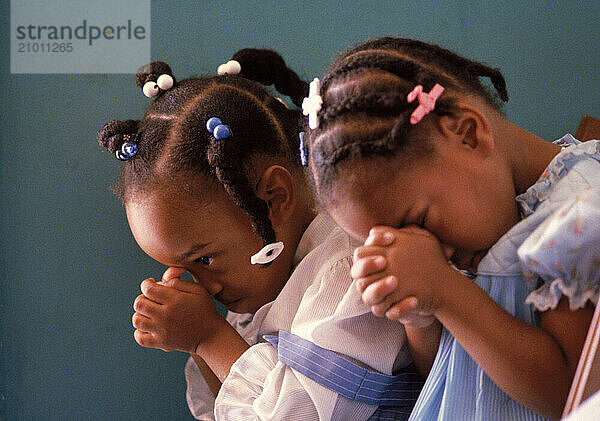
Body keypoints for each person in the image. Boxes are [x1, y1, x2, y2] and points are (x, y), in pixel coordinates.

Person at [97, 49, 426, 420]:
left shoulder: (349, 269)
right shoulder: (263, 282)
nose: (205, 286)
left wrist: (209, 337)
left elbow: (291, 414)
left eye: (204, 259)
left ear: (273, 198)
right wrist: (199, 343)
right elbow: (232, 408)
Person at [303, 37, 600, 420]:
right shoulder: (479, 219)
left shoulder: (577, 216)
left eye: (418, 223)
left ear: (468, 134)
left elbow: (572, 395)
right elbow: (451, 377)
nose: (424, 246)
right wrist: (420, 317)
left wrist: (445, 291)